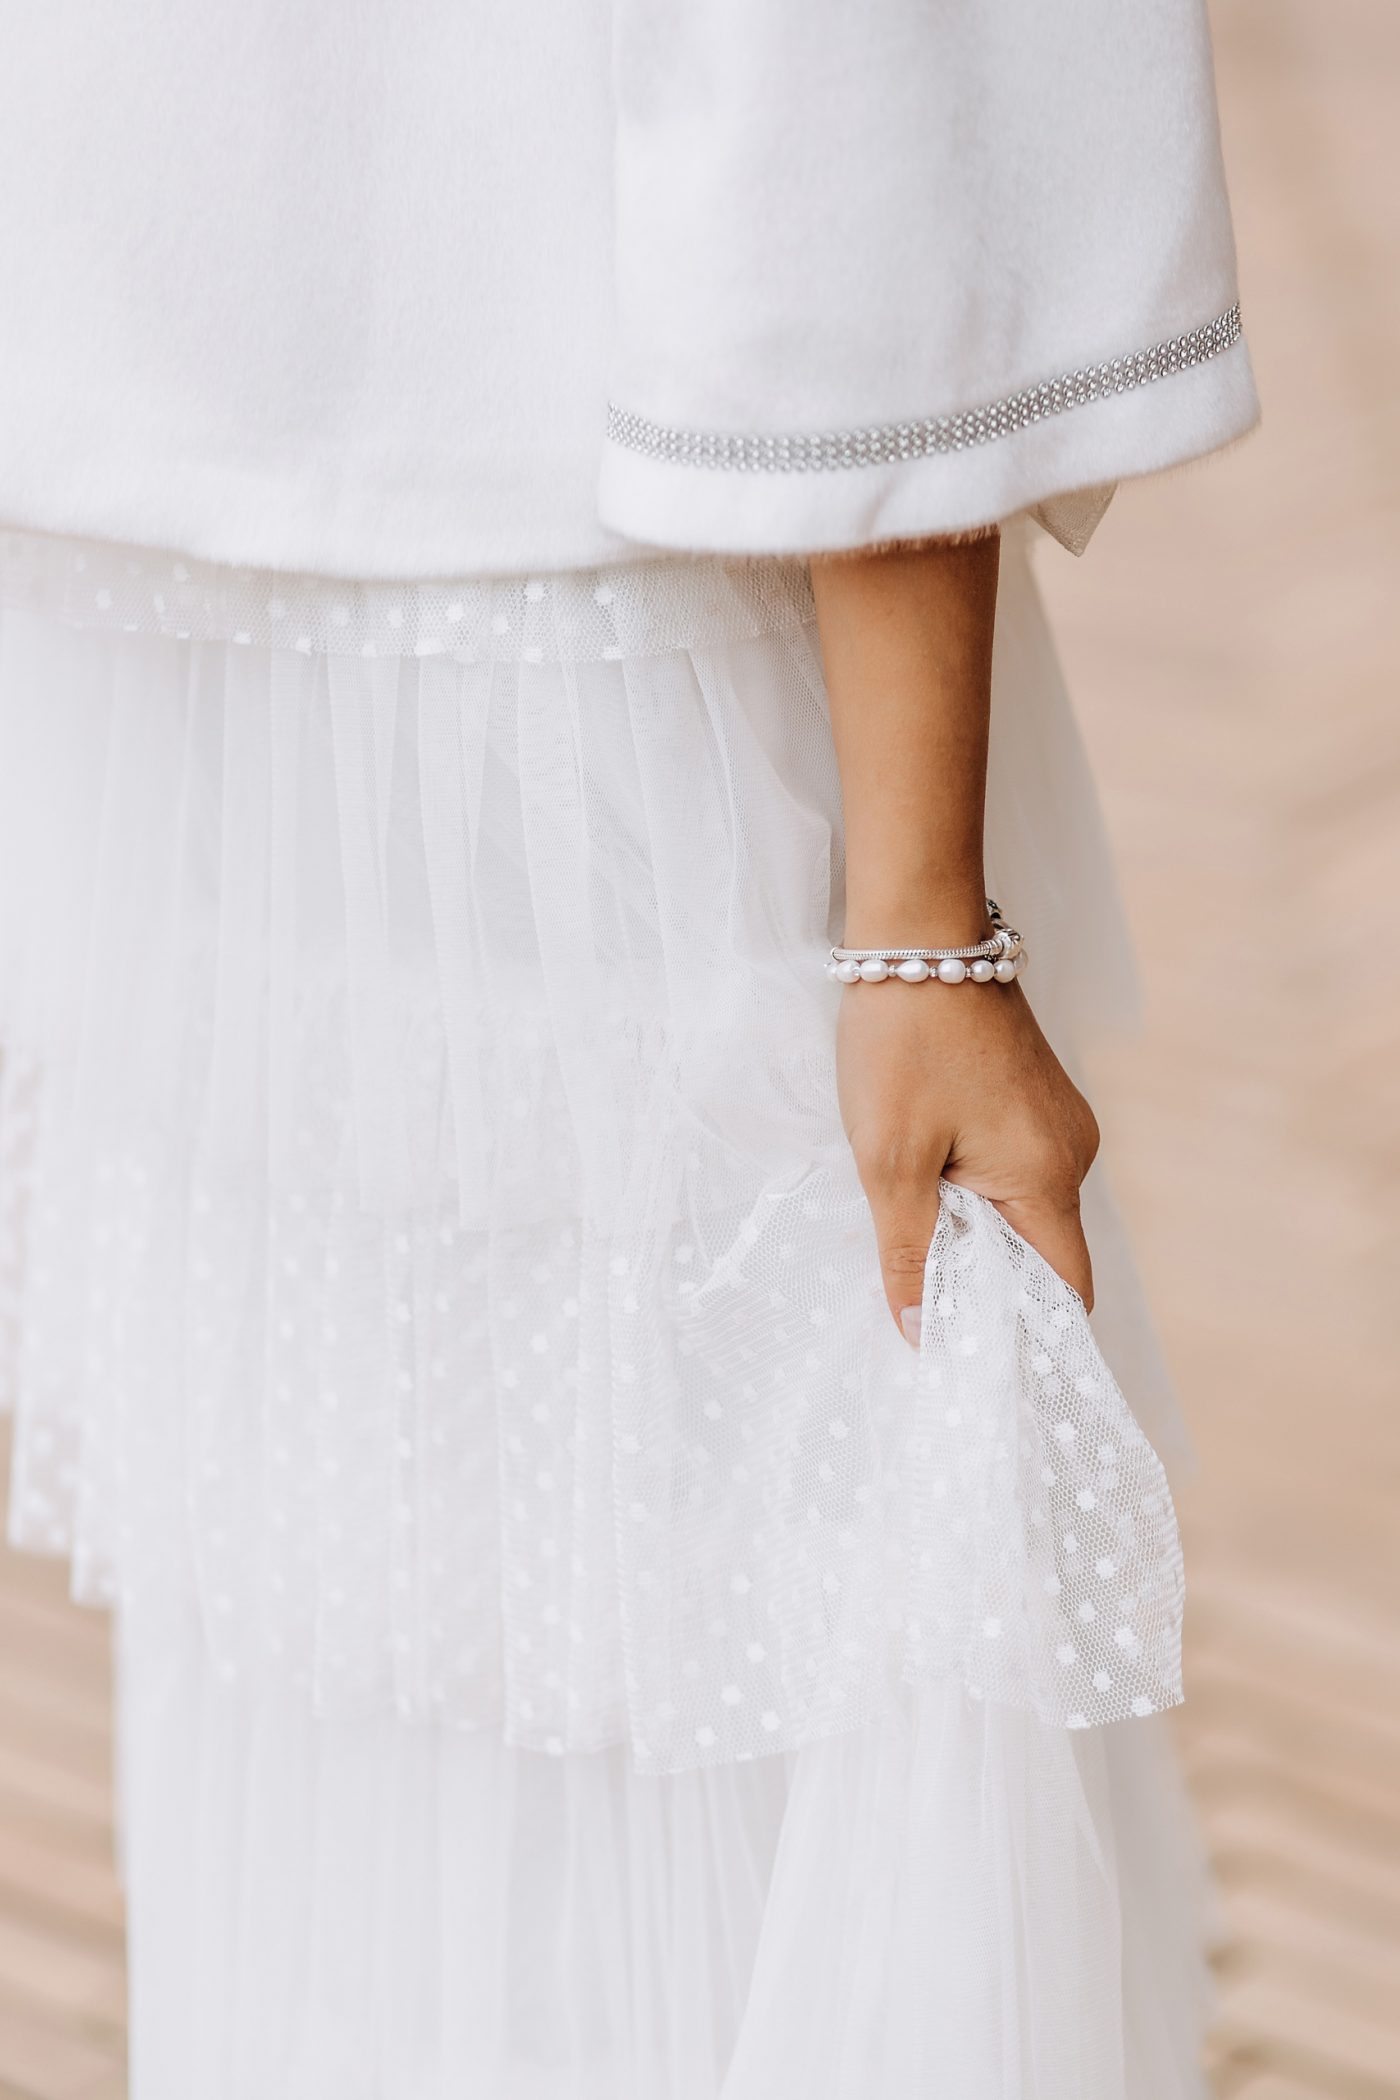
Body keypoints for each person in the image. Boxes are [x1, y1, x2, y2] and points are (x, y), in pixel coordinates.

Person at [0, 2, 1257, 2093]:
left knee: (382, 1651)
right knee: (701, 1648)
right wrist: (922, 921)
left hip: (164, 543)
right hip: (598, 612)